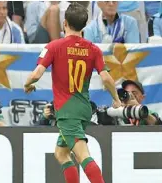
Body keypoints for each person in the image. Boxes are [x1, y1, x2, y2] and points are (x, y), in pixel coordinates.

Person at [24, 3, 121, 183]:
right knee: (61, 153)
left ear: (64, 23)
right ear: (84, 25)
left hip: (67, 111)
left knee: (82, 155)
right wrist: (116, 99)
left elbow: (37, 73)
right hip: (83, 108)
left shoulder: (54, 46)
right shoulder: (93, 49)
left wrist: (28, 84)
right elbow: (106, 78)